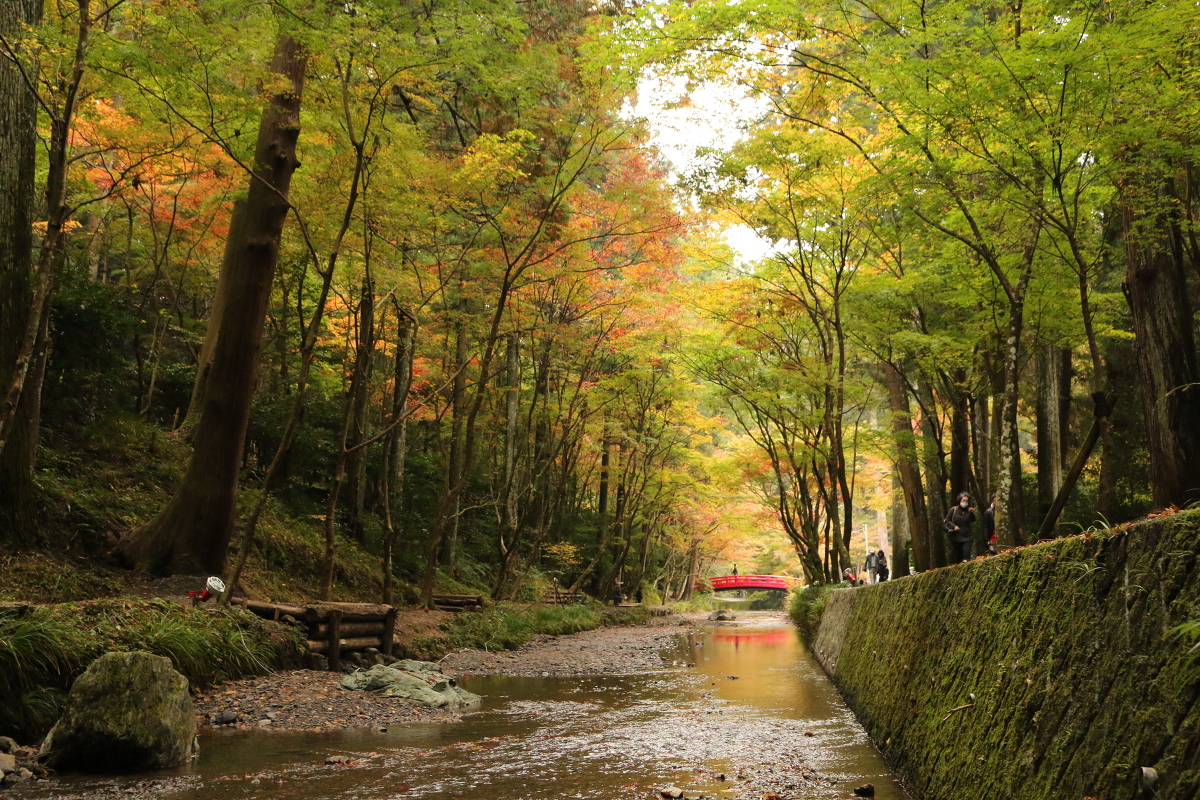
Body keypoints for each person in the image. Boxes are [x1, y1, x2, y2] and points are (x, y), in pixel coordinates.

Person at [945, 492, 976, 563]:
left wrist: (971, 513)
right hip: (956, 537)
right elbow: (947, 521)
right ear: (960, 501)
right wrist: (954, 526)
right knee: (958, 557)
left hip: (967, 536)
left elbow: (973, 520)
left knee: (966, 555)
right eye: (963, 500)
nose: (965, 502)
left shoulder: (969, 510)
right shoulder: (954, 509)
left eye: (966, 501)